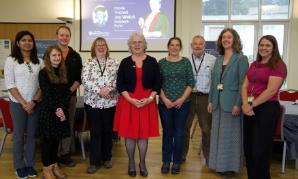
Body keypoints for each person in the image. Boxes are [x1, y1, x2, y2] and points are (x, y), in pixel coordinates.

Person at [114, 33, 160, 177]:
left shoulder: (152, 61)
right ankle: (131, 162)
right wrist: (130, 99)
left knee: (143, 136)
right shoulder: (125, 62)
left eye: (140, 42)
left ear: (144, 44)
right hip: (129, 102)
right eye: (134, 42)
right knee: (129, 134)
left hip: (147, 102)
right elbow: (120, 85)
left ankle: (142, 162)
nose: (137, 44)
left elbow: (157, 83)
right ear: (130, 45)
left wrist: (150, 98)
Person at [241, 35, 287, 179]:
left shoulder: (278, 65)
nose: (264, 48)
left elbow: (271, 91)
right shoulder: (254, 64)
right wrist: (245, 104)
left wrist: (250, 105)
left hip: (266, 109)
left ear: (274, 48)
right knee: (248, 149)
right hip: (250, 108)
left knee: (260, 150)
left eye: (268, 45)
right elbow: (244, 85)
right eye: (261, 45)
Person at [207, 28, 249, 177]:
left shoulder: (241, 59)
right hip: (218, 104)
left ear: (235, 39)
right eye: (223, 37)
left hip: (232, 104)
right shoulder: (218, 58)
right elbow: (214, 83)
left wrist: (239, 104)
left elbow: (243, 84)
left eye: (229, 37)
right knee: (218, 135)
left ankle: (230, 167)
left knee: (231, 137)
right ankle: (218, 165)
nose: (226, 39)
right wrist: (211, 101)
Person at [4, 30, 43, 179]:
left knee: (32, 136)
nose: (27, 42)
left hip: (34, 104)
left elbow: (42, 85)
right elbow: (10, 85)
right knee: (19, 136)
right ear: (18, 43)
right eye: (24, 40)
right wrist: (23, 103)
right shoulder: (11, 60)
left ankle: (29, 165)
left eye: (30, 40)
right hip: (17, 104)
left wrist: (33, 102)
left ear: (33, 43)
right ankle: (19, 166)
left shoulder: (39, 61)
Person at [81, 37, 119, 174]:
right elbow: (85, 80)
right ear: (94, 48)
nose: (101, 47)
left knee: (108, 131)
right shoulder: (88, 63)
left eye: (103, 45)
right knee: (95, 132)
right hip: (93, 103)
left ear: (107, 48)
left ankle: (107, 158)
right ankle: (94, 162)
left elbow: (118, 79)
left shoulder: (114, 62)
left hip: (110, 102)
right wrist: (100, 91)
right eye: (98, 45)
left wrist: (108, 90)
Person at [158, 37, 194, 175]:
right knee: (167, 133)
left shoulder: (185, 62)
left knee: (179, 133)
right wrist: (164, 99)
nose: (174, 47)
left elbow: (191, 82)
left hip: (182, 104)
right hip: (164, 104)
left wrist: (182, 99)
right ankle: (166, 161)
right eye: (172, 45)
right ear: (168, 47)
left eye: (177, 45)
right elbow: (158, 84)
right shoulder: (161, 63)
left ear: (180, 47)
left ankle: (177, 162)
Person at [39, 45, 71, 179]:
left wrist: (62, 109)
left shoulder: (63, 71)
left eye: (59, 55)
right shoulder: (44, 73)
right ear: (48, 57)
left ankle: (54, 165)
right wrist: (57, 110)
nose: (57, 58)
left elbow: (67, 93)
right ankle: (46, 169)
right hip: (49, 112)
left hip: (60, 111)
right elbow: (47, 94)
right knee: (48, 142)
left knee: (56, 140)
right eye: (54, 55)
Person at [182, 35, 216, 164]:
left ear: (204, 46)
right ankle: (182, 155)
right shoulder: (185, 60)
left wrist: (212, 100)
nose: (197, 46)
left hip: (205, 98)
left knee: (206, 129)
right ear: (191, 45)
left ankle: (208, 158)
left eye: (200, 44)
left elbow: (215, 81)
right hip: (188, 97)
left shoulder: (212, 60)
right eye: (195, 43)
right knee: (185, 127)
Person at [56, 25, 82, 167]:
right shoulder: (50, 53)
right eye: (62, 35)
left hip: (70, 97)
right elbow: (46, 74)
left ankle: (65, 153)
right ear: (57, 36)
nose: (64, 37)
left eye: (67, 35)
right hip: (53, 98)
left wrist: (68, 91)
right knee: (54, 124)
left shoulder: (75, 56)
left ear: (70, 37)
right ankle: (54, 154)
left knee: (68, 124)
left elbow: (79, 77)